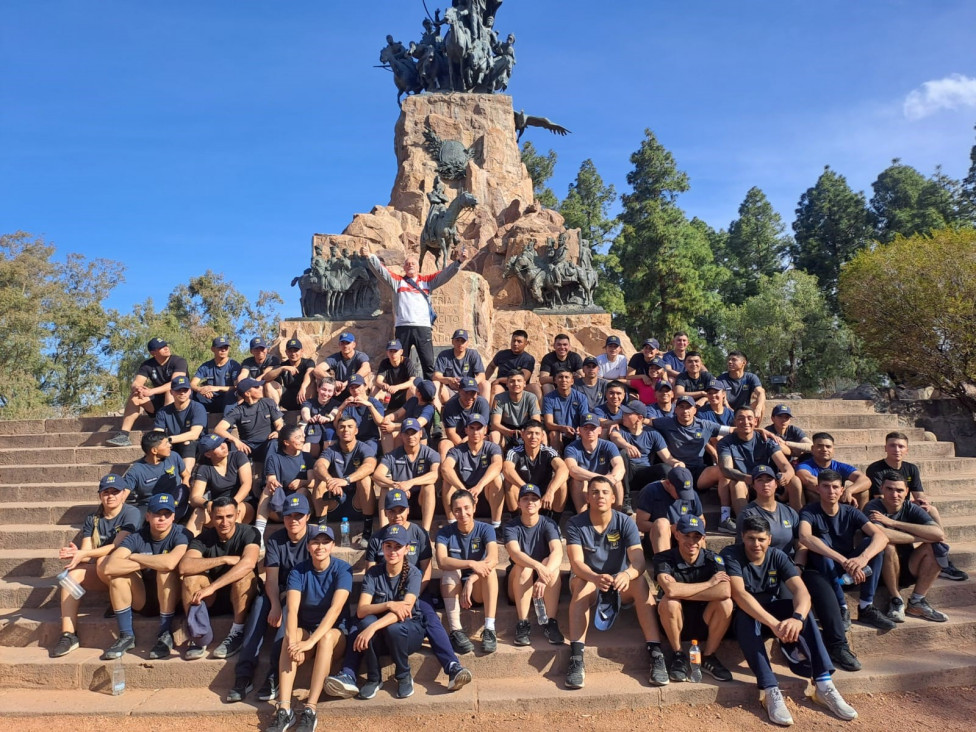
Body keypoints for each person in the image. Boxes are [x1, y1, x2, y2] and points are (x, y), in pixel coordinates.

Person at [326, 490, 473, 697]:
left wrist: (410, 597)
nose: (397, 515)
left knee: (429, 616)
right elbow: (371, 571)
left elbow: (426, 569)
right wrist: (388, 599)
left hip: (414, 591)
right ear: (385, 512)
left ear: (408, 510)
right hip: (383, 592)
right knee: (359, 623)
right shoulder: (379, 538)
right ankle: (349, 674)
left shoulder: (418, 533)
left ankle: (452, 666)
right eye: (392, 511)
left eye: (401, 510)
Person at [723, 515, 859, 726]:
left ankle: (824, 684)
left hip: (772, 616)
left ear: (769, 539)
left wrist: (796, 618)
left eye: (761, 539)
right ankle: (770, 690)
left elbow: (801, 592)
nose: (756, 544)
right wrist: (774, 624)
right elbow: (740, 595)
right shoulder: (731, 555)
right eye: (751, 538)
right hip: (744, 616)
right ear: (742, 537)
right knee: (744, 618)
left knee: (801, 614)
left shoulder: (778, 556)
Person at [564, 476, 668, 689]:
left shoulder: (625, 521)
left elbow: (638, 560)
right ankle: (576, 657)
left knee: (640, 583)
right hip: (589, 579)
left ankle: (655, 653)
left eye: (604, 492)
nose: (599, 496)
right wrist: (594, 577)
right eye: (594, 492)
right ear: (587, 497)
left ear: (613, 498)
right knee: (583, 586)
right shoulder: (575, 523)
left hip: (620, 582)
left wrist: (627, 574)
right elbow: (576, 563)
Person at [264, 523, 352, 732]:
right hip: (307, 631)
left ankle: (310, 708)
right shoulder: (298, 571)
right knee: (290, 635)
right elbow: (292, 610)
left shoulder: (343, 569)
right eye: (315, 542)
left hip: (335, 635)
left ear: (333, 545)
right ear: (309, 546)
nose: (320, 547)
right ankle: (285, 709)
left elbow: (335, 609)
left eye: (325, 542)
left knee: (326, 638)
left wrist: (310, 642)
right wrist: (295, 643)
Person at [228, 493, 313, 705]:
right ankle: (244, 674)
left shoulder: (316, 538)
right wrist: (274, 603)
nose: (293, 520)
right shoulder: (276, 539)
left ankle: (274, 673)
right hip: (280, 590)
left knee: (286, 613)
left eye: (298, 515)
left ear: (308, 517)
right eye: (288, 515)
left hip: (303, 595)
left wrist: (282, 604)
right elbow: (271, 578)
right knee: (259, 604)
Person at [50, 475, 141, 658]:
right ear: (100, 495)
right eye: (106, 492)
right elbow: (86, 550)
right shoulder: (93, 518)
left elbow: (118, 545)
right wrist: (77, 555)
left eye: (115, 492)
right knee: (71, 577)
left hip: (130, 576)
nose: (111, 496)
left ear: (124, 494)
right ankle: (69, 634)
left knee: (103, 561)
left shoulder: (132, 513)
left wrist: (85, 554)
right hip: (103, 571)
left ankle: (124, 625)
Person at [798, 469, 895, 632]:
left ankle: (866, 606)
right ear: (818, 489)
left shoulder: (850, 511)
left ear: (842, 490)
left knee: (873, 545)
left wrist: (863, 558)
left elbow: (881, 537)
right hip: (826, 567)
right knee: (820, 547)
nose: (831, 491)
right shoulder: (809, 511)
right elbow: (804, 537)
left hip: (850, 567)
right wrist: (842, 560)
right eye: (826, 486)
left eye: (835, 487)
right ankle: (842, 607)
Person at [865, 431, 966, 582]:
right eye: (892, 445)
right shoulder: (875, 469)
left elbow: (919, 494)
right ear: (885, 448)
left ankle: (942, 556)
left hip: (905, 508)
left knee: (932, 510)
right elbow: (881, 498)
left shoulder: (911, 469)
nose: (897, 449)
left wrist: (922, 503)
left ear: (907, 450)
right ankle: (933, 543)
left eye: (901, 446)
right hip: (887, 510)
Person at [100, 493, 191, 661]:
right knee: (117, 577)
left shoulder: (182, 534)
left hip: (174, 598)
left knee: (165, 572)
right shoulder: (137, 537)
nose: (162, 519)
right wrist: (151, 562)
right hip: (144, 599)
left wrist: (135, 557)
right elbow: (110, 567)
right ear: (148, 516)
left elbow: (170, 563)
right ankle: (126, 636)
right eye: (157, 514)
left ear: (173, 517)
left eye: (167, 514)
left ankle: (165, 633)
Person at [364, 245, 469, 379]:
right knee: (402, 363)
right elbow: (382, 271)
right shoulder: (398, 282)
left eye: (413, 263)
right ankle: (404, 393)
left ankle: (429, 393)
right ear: (404, 268)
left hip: (422, 327)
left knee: (428, 362)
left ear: (418, 267)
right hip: (403, 327)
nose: (410, 265)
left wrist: (459, 262)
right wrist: (370, 257)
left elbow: (445, 274)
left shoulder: (427, 282)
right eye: (407, 264)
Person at [653, 514, 734, 682]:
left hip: (705, 619)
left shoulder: (713, 559)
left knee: (726, 603)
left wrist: (681, 590)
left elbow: (725, 590)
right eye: (686, 535)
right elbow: (670, 591)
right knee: (670, 603)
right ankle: (678, 655)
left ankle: (709, 656)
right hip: (676, 620)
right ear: (676, 535)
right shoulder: (664, 558)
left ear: (703, 538)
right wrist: (710, 583)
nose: (692, 541)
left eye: (696, 537)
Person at [180, 496, 261, 660]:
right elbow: (184, 566)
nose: (224, 522)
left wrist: (212, 587)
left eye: (229, 516)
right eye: (219, 517)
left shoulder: (249, 532)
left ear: (237, 514)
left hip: (240, 597)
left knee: (244, 577)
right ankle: (198, 635)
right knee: (190, 579)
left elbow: (249, 563)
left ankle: (236, 632)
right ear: (211, 516)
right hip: (212, 599)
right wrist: (224, 559)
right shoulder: (203, 538)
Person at [866, 471, 949, 623]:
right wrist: (922, 537)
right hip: (881, 570)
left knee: (937, 546)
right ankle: (896, 599)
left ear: (906, 492)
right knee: (888, 545)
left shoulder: (910, 508)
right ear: (882, 489)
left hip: (909, 564)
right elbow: (883, 535)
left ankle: (917, 601)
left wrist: (894, 523)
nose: (894, 494)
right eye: (889, 489)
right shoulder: (873, 507)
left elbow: (938, 534)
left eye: (899, 490)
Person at [435, 489, 499, 655]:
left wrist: (471, 580)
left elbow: (493, 558)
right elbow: (441, 561)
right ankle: (456, 630)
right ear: (452, 511)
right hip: (454, 587)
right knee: (450, 571)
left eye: (466, 508)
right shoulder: (444, 532)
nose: (462, 513)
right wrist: (471, 563)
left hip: (477, 589)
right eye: (457, 509)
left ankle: (490, 629)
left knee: (490, 571)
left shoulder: (486, 529)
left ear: (474, 507)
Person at [504, 483, 565, 646]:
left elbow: (558, 552)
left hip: (542, 582)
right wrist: (538, 567)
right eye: (525, 499)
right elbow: (515, 554)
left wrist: (543, 576)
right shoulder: (511, 526)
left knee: (551, 564)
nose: (530, 502)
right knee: (524, 567)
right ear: (518, 503)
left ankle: (551, 622)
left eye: (534, 499)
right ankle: (522, 623)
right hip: (518, 579)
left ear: (540, 503)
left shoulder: (549, 523)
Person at [717, 407, 797, 527]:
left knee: (795, 480)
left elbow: (785, 464)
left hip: (768, 482)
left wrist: (787, 474)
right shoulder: (726, 442)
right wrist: (747, 478)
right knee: (737, 483)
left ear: (755, 421)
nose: (745, 422)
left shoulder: (766, 440)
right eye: (740, 418)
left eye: (749, 418)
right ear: (734, 421)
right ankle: (747, 527)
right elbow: (726, 469)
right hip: (746, 485)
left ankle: (798, 524)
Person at [106, 337, 188, 447]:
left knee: (170, 391)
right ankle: (124, 435)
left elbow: (176, 384)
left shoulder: (179, 361)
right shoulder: (147, 365)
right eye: (161, 347)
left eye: (165, 345)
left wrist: (152, 391)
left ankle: (167, 430)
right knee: (135, 396)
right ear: (153, 352)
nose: (166, 348)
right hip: (158, 402)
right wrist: (138, 388)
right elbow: (137, 382)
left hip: (179, 401)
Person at [609, 399, 684, 514]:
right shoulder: (619, 428)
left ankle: (663, 505)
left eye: (627, 414)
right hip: (626, 472)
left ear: (639, 418)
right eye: (623, 413)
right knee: (623, 453)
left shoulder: (652, 433)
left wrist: (676, 463)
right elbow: (615, 437)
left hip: (643, 472)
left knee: (665, 468)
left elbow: (667, 457)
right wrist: (627, 445)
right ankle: (626, 501)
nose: (623, 416)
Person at [312, 415, 378, 543]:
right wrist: (330, 480)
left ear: (356, 431)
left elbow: (370, 466)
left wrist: (346, 480)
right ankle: (322, 530)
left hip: (357, 502)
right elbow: (318, 465)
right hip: (336, 500)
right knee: (320, 482)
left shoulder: (363, 447)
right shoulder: (331, 449)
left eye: (349, 427)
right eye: (341, 427)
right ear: (337, 431)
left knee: (365, 480)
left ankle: (367, 532)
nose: (345, 430)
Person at [650, 395, 730, 498]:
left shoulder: (705, 425)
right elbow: (644, 420)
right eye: (681, 407)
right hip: (677, 469)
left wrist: (756, 430)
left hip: (699, 473)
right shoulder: (666, 422)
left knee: (723, 471)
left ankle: (725, 511)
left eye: (688, 407)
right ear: (676, 410)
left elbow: (731, 430)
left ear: (694, 410)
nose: (685, 411)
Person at [372, 418, 440, 533]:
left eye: (413, 433)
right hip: (398, 503)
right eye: (406, 433)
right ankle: (384, 531)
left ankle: (425, 533)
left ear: (420, 433)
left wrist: (410, 482)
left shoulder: (431, 453)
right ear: (401, 436)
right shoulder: (392, 455)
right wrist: (395, 484)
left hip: (420, 500)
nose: (410, 437)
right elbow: (377, 475)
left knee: (429, 486)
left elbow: (434, 475)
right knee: (385, 489)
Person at [442, 412, 505, 526]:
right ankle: (452, 524)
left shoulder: (492, 447)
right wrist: (463, 491)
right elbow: (446, 468)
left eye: (479, 428)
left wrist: (479, 487)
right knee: (447, 481)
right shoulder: (457, 450)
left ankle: (496, 525)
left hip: (485, 494)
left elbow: (497, 465)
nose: (475, 432)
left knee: (497, 479)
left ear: (485, 430)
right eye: (472, 428)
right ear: (466, 430)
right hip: (463, 499)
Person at [187, 433, 255, 534]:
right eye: (217, 446)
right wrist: (207, 503)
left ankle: (236, 546)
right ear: (208, 454)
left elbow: (246, 484)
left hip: (243, 503)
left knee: (234, 512)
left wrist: (232, 504)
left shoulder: (238, 456)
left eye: (223, 442)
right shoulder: (204, 469)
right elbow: (194, 497)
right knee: (198, 512)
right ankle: (186, 545)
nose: (223, 446)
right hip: (218, 508)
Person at [254, 425, 313, 540]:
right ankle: (258, 534)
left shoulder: (307, 457)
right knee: (267, 489)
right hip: (280, 506)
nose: (302, 439)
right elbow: (271, 478)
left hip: (300, 509)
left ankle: (299, 531)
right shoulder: (274, 458)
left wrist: (302, 482)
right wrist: (273, 482)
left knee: (303, 490)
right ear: (286, 442)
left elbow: (312, 482)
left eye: (302, 436)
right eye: (298, 437)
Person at [503, 419, 568, 520]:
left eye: (537, 434)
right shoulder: (514, 451)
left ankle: (555, 522)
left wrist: (550, 491)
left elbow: (563, 469)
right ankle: (515, 520)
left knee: (561, 483)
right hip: (523, 493)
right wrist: (526, 488)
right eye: (529, 433)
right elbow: (507, 469)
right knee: (508, 482)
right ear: (523, 434)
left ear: (542, 436)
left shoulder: (548, 451)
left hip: (544, 496)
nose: (533, 437)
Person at [634, 466, 704, 556]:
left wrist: (689, 528)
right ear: (668, 483)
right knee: (662, 523)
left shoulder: (692, 494)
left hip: (683, 538)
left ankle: (700, 565)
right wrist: (670, 528)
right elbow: (640, 524)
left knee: (698, 530)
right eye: (679, 492)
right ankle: (664, 564)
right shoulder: (650, 491)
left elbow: (701, 519)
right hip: (657, 539)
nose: (682, 496)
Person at [214, 377, 285, 466]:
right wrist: (236, 441)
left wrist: (278, 431)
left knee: (274, 443)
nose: (261, 388)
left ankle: (269, 477)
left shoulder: (269, 403)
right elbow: (218, 429)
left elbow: (279, 423)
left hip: (267, 444)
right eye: (256, 387)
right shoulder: (238, 411)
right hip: (248, 447)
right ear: (247, 393)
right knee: (234, 450)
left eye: (260, 386)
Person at [122, 431, 190, 521]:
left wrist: (183, 490)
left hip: (174, 502)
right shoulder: (136, 470)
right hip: (149, 505)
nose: (170, 445)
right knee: (134, 522)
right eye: (166, 444)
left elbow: (186, 475)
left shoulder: (174, 457)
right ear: (154, 450)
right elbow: (122, 496)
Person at [564, 413, 626, 511]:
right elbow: (573, 469)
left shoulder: (609, 446)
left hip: (605, 484)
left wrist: (612, 479)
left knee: (617, 481)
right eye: (586, 428)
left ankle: (616, 515)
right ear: (579, 430)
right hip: (586, 484)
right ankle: (582, 517)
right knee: (577, 481)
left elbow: (619, 466)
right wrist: (600, 478)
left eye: (593, 428)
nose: (589, 431)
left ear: (600, 430)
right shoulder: (571, 448)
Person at [152, 374, 206, 475]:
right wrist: (164, 443)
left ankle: (186, 477)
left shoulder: (197, 408)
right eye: (178, 390)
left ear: (190, 391)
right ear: (171, 392)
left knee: (188, 442)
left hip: (196, 445)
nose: (182, 393)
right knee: (156, 446)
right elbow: (157, 435)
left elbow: (194, 434)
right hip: (172, 444)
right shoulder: (163, 412)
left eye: (185, 390)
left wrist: (168, 439)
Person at [438, 376, 491, 461]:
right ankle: (443, 472)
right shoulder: (451, 405)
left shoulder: (482, 403)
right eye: (466, 392)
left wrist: (470, 442)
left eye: (473, 393)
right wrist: (463, 446)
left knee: (490, 438)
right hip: (458, 440)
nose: (469, 397)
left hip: (478, 436)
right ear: (459, 391)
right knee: (444, 444)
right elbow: (451, 433)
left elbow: (484, 430)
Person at [380, 378, 437, 452]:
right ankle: (388, 458)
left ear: (418, 393)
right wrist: (389, 417)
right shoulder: (413, 400)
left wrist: (394, 427)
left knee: (419, 431)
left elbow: (418, 424)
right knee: (385, 430)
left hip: (418, 437)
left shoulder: (429, 408)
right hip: (404, 432)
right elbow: (397, 414)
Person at [433, 328, 489, 403]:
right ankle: (436, 413)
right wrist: (449, 380)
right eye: (457, 340)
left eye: (463, 341)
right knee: (436, 383)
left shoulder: (473, 354)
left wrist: (469, 383)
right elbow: (436, 376)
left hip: (469, 391)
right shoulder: (444, 355)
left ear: (467, 343)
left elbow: (482, 376)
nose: (460, 344)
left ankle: (484, 412)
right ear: (452, 341)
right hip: (450, 391)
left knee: (486, 384)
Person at [190, 336, 242, 414]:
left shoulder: (234, 365)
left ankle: (229, 423)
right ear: (213, 349)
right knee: (190, 393)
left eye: (226, 347)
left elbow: (236, 387)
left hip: (226, 400)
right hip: (210, 398)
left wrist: (216, 388)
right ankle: (193, 421)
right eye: (220, 347)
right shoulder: (206, 366)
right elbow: (192, 384)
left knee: (231, 394)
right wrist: (201, 390)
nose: (223, 350)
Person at [489, 370, 541, 449]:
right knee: (494, 435)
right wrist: (509, 432)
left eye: (519, 381)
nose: (516, 384)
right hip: (506, 430)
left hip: (526, 429)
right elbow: (494, 424)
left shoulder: (531, 397)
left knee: (542, 434)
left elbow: (536, 421)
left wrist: (525, 432)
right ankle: (499, 459)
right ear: (507, 384)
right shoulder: (499, 398)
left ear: (524, 383)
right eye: (512, 381)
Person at [334, 374, 386, 452]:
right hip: (352, 439)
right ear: (349, 391)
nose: (355, 390)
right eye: (352, 388)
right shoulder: (348, 404)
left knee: (368, 452)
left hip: (370, 439)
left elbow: (380, 422)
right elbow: (336, 426)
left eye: (358, 386)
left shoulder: (374, 403)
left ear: (365, 386)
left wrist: (370, 406)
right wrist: (341, 407)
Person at [541, 369, 590, 452]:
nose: (563, 380)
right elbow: (548, 423)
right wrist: (563, 428)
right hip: (559, 432)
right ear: (555, 381)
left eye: (567, 377)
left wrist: (580, 429)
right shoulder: (548, 398)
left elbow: (584, 419)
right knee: (554, 434)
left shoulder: (581, 397)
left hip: (575, 433)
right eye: (560, 377)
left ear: (572, 381)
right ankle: (556, 459)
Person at [485, 329, 538, 400]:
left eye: (519, 342)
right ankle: (493, 411)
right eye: (513, 341)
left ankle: (542, 411)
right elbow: (492, 366)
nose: (515, 344)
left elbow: (524, 378)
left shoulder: (528, 359)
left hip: (520, 386)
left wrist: (500, 379)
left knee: (535, 388)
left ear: (526, 343)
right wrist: (485, 380)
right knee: (496, 388)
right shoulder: (501, 354)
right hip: (503, 386)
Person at [265, 338, 315, 411]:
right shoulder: (283, 365)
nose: (293, 353)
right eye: (290, 351)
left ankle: (308, 411)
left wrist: (303, 387)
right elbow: (266, 378)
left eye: (296, 350)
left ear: (302, 351)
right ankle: (275, 414)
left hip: (305, 397)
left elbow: (309, 373)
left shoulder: (308, 362)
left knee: (312, 382)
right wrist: (282, 368)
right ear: (286, 352)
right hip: (289, 398)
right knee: (268, 384)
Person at [372, 339, 420, 415]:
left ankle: (411, 416)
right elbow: (378, 380)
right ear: (387, 352)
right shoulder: (385, 363)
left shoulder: (407, 362)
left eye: (395, 351)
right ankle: (374, 417)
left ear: (401, 352)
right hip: (389, 396)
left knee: (413, 389)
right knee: (374, 388)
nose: (393, 354)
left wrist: (397, 387)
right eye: (391, 351)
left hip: (404, 396)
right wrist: (383, 385)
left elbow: (412, 381)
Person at [318, 331, 372, 398]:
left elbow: (366, 368)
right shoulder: (335, 358)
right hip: (340, 389)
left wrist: (347, 383)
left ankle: (361, 404)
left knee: (365, 377)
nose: (345, 346)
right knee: (319, 379)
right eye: (342, 343)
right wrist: (333, 382)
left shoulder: (360, 356)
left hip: (355, 388)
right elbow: (318, 369)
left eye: (348, 343)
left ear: (354, 344)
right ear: (339, 345)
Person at [718, 351, 766, 422]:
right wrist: (729, 409)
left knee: (761, 406)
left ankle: (753, 431)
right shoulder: (721, 379)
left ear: (744, 363)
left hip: (744, 410)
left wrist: (758, 408)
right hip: (726, 410)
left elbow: (760, 392)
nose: (730, 362)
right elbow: (720, 397)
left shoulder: (751, 377)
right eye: (729, 360)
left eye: (734, 360)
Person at [300, 377, 340, 461]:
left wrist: (327, 418)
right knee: (307, 448)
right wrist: (310, 419)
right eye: (324, 389)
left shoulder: (336, 404)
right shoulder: (309, 402)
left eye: (329, 391)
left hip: (329, 430)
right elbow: (305, 412)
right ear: (318, 388)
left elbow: (334, 413)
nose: (326, 393)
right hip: (313, 428)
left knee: (330, 433)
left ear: (333, 392)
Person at [627, 337, 662, 405]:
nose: (648, 350)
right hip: (636, 386)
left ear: (657, 351)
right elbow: (628, 376)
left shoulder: (659, 362)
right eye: (646, 347)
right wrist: (642, 376)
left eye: (651, 348)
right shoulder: (637, 357)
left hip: (651, 388)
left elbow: (664, 379)